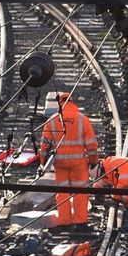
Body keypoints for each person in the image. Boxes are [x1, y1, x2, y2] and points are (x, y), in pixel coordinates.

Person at [41, 92, 98, 226]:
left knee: (63, 192)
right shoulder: (82, 119)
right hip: (79, 164)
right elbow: (92, 144)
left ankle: (64, 220)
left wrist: (42, 163)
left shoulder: (52, 120)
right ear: (72, 102)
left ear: (60, 103)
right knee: (80, 191)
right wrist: (93, 161)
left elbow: (44, 146)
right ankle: (80, 220)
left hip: (60, 163)